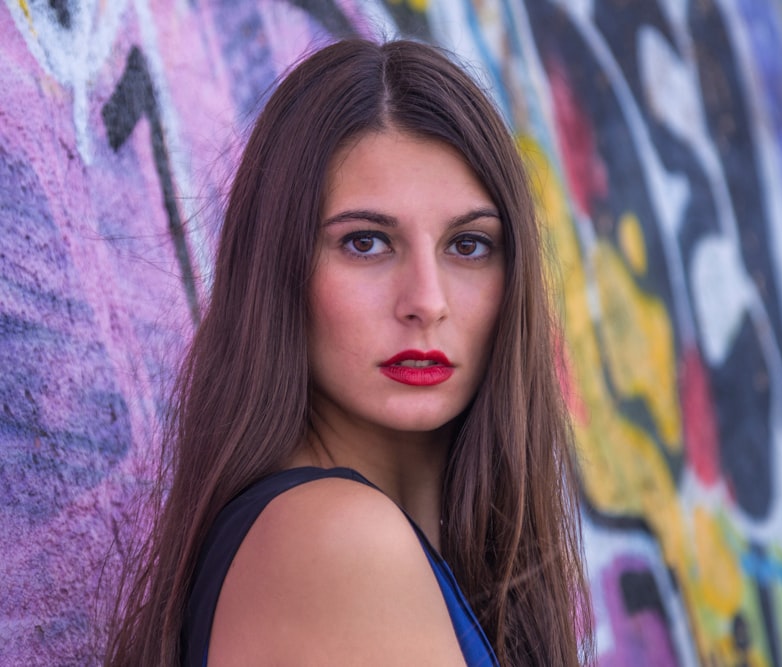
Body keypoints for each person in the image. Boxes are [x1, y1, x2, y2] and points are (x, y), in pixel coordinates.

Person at [104, 38, 592, 666]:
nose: (426, 300)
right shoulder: (336, 539)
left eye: (468, 246)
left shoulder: (345, 541)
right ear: (280, 270)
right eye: (366, 243)